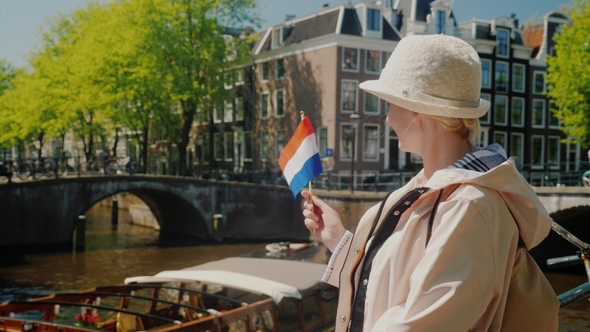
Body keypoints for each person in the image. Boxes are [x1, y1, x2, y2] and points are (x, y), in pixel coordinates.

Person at [301, 35, 558, 331]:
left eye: (391, 104)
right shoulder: (428, 189)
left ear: (417, 112)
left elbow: (419, 323)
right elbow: (395, 283)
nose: (387, 119)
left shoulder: (470, 208)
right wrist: (338, 240)